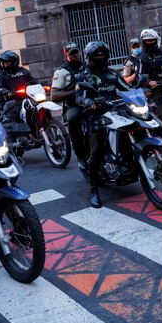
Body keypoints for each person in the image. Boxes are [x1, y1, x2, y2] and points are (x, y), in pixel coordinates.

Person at [75, 41, 129, 208]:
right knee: (96, 151)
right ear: (89, 58)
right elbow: (78, 96)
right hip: (95, 116)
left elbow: (127, 88)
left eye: (103, 55)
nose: (100, 58)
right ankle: (93, 190)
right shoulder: (83, 76)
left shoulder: (113, 74)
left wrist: (142, 91)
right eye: (97, 56)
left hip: (116, 113)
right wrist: (86, 100)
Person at [51, 42, 88, 174]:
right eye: (72, 53)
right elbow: (54, 95)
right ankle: (81, 157)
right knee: (73, 118)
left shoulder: (87, 66)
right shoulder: (62, 72)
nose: (76, 55)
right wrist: (75, 92)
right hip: (74, 105)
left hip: (91, 103)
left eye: (77, 52)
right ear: (66, 55)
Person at [134, 28, 162, 125]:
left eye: (151, 40)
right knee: (161, 114)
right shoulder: (141, 58)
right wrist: (149, 82)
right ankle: (161, 135)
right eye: (147, 41)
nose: (149, 43)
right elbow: (139, 76)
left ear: (157, 40)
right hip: (155, 91)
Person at [0, 50, 35, 121]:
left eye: (7, 62)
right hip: (13, 102)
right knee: (13, 118)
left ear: (14, 62)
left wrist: (42, 83)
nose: (5, 64)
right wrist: (5, 92)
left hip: (29, 99)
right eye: (4, 63)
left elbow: (34, 81)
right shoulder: (1, 75)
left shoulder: (24, 71)